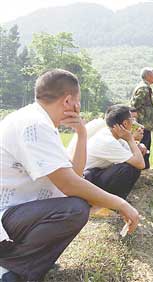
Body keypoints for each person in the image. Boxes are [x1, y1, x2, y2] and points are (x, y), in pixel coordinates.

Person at [0, 69, 139, 281]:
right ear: (68, 101)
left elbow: (75, 173)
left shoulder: (40, 121)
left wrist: (82, 134)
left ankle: (24, 261)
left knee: (77, 203)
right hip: (6, 214)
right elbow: (69, 184)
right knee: (74, 209)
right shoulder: (35, 125)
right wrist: (120, 203)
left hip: (18, 211)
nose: (78, 107)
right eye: (78, 101)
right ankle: (12, 268)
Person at [83, 105, 147, 201]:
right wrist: (130, 139)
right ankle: (109, 203)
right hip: (87, 180)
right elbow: (140, 164)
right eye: (132, 120)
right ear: (125, 123)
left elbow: (136, 157)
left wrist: (135, 143)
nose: (134, 123)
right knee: (126, 168)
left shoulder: (114, 136)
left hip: (96, 174)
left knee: (132, 166)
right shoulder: (108, 140)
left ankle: (119, 200)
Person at [130, 67, 153, 169]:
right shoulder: (143, 88)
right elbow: (134, 105)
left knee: (145, 143)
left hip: (145, 123)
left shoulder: (145, 87)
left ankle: (144, 165)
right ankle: (142, 166)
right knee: (143, 145)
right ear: (148, 76)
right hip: (142, 123)